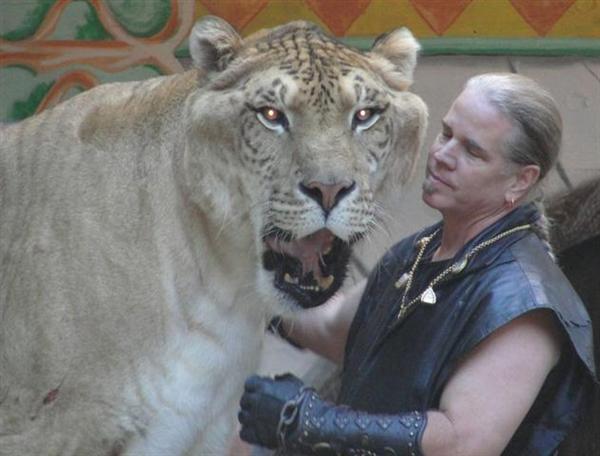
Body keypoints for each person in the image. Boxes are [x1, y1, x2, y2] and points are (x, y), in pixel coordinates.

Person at [237, 73, 597, 456]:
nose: (442, 155)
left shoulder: (524, 301)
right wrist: (249, 275)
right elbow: (339, 330)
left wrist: (306, 420)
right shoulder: (426, 249)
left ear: (519, 182)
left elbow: (461, 443)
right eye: (446, 134)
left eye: (472, 152)